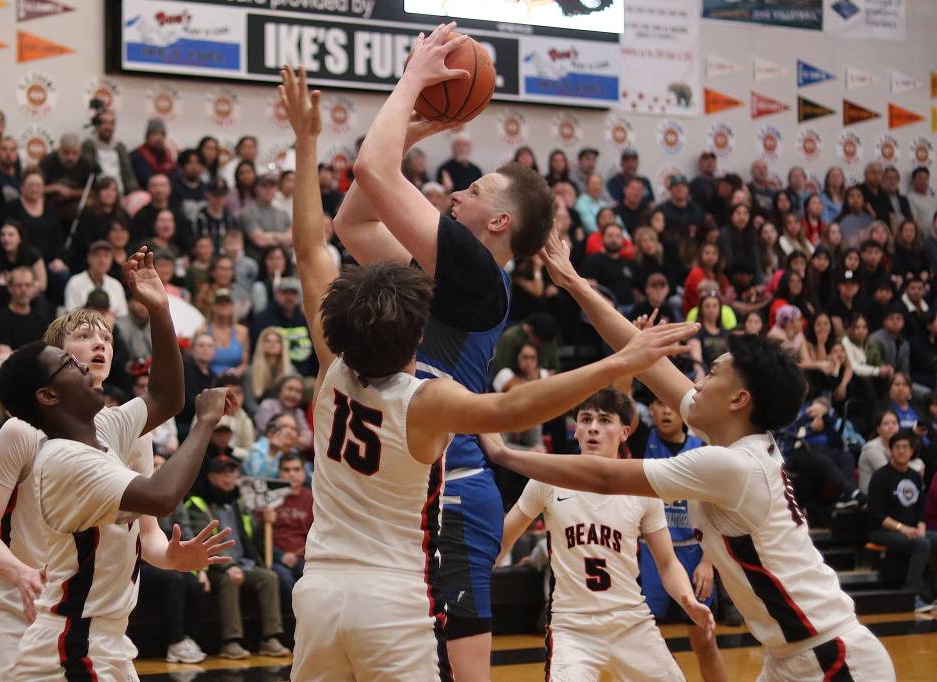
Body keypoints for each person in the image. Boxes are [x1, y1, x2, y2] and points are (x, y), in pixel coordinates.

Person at [277, 64, 697, 682]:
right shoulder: (438, 281)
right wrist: (409, 131)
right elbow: (351, 225)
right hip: (418, 457)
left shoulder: (469, 276)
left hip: (450, 474)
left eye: (472, 191)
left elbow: (344, 210)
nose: (455, 195)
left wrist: (413, 84)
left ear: (499, 223)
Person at [484, 230, 897, 681]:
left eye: (712, 375)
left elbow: (604, 477)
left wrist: (507, 454)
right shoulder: (727, 435)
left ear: (738, 400)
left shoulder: (733, 465)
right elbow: (644, 359)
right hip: (789, 657)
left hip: (832, 658)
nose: (695, 383)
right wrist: (575, 283)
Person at [0, 251, 231, 682]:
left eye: (107, 338)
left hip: (101, 628)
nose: (98, 346)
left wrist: (159, 308)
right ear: (52, 370)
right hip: (41, 615)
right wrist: (20, 573)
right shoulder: (35, 440)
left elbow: (166, 400)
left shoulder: (115, 426)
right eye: (82, 340)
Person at [497, 390, 714, 682]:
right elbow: (500, 541)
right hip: (572, 627)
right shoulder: (547, 479)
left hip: (630, 621)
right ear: (576, 430)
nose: (593, 427)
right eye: (586, 419)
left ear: (625, 432)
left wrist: (687, 598)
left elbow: (667, 563)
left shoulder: (641, 485)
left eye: (604, 420)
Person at [632, 396, 727, 682]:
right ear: (650, 409)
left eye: (671, 404)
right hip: (651, 553)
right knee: (646, 644)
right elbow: (622, 392)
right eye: (659, 404)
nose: (666, 411)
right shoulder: (642, 442)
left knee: (705, 641)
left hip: (693, 553)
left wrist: (709, 562)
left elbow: (719, 510)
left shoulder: (702, 449)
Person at [185, 453, 290, 658]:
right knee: (229, 580)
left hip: (244, 563)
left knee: (269, 578)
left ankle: (270, 638)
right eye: (222, 472)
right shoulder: (198, 503)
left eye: (232, 472)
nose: (228, 476)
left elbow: (252, 541)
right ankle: (230, 641)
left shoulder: (239, 504)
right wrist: (228, 566)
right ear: (211, 477)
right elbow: (204, 541)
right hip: (213, 566)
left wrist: (263, 521)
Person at [137, 454, 209, 664]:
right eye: (154, 465)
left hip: (168, 560)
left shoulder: (174, 499)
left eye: (161, 465)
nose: (157, 469)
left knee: (196, 584)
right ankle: (175, 643)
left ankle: (188, 639)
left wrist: (201, 569)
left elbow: (185, 532)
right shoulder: (137, 494)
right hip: (140, 562)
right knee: (174, 580)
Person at [867, 430, 937, 612]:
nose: (901, 451)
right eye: (897, 447)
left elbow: (921, 508)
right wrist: (903, 528)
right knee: (921, 544)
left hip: (912, 530)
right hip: (883, 531)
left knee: (931, 538)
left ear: (912, 451)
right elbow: (877, 515)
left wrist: (921, 525)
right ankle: (911, 596)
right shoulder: (880, 477)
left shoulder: (914, 476)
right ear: (891, 451)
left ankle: (932, 593)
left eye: (905, 447)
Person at [249, 276, 316, 377]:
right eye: (285, 292)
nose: (289, 297)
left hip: (305, 376)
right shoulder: (262, 319)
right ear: (276, 294)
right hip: (274, 375)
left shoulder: (305, 319)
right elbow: (257, 351)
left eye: (293, 293)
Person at [271, 451, 313, 595]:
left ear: (303, 472)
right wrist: (280, 555)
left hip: (305, 558)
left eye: (296, 469)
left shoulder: (312, 498)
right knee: (283, 577)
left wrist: (299, 555)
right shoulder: (269, 498)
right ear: (279, 473)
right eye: (286, 470)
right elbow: (258, 538)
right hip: (275, 559)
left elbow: (317, 534)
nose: (291, 474)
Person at [0, 267, 54, 359]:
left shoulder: (41, 319)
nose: (23, 289)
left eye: (28, 285)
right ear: (10, 287)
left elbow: (50, 351)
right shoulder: (1, 318)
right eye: (19, 285)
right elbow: (3, 355)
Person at [81, 108, 140, 195]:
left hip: (120, 193)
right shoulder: (89, 145)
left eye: (111, 123)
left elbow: (128, 175)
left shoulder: (120, 147)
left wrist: (134, 192)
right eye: (104, 123)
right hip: (97, 194)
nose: (108, 127)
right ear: (97, 125)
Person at [63, 240, 129, 317]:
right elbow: (70, 316)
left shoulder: (116, 285)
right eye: (97, 255)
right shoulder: (75, 282)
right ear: (89, 258)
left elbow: (123, 316)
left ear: (111, 260)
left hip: (111, 327)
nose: (102, 260)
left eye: (106, 255)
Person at [239, 175, 292, 251]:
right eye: (264, 186)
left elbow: (292, 238)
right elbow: (260, 240)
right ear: (256, 189)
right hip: (258, 260)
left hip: (284, 259)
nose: (269, 189)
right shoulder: (247, 212)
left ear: (276, 189)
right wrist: (282, 238)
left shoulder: (283, 213)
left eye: (272, 186)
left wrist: (269, 236)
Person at [130, 118, 175, 191]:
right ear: (147, 137)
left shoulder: (167, 156)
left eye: (161, 134)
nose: (158, 138)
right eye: (154, 134)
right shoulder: (137, 156)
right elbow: (146, 179)